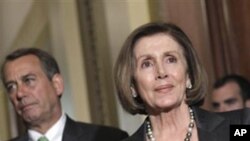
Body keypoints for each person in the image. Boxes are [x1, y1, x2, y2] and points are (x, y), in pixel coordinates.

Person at [113, 22, 250, 141]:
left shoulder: (239, 126)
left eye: (171, 59)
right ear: (132, 86)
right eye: (147, 64)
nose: (161, 72)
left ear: (189, 75)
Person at [0, 48, 128, 141]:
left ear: (57, 84)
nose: (20, 93)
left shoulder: (108, 138)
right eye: (11, 87)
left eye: (29, 80)